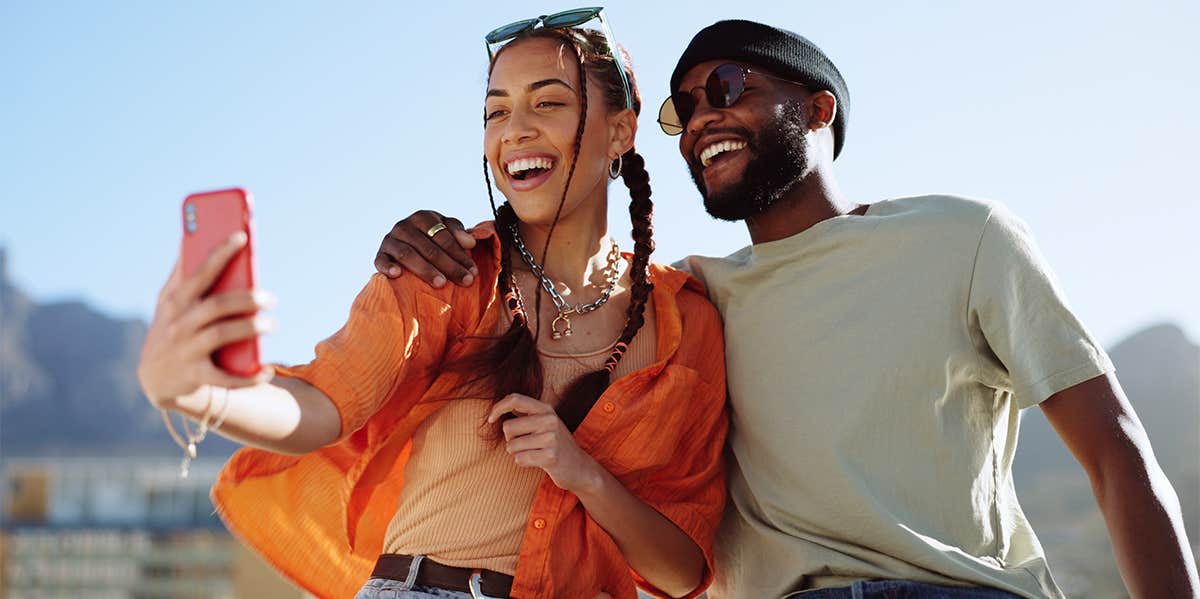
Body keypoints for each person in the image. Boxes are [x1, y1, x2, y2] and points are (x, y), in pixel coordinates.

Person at [370, 19, 1199, 599]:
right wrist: (432, 233)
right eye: (683, 107)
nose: (701, 119)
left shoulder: (965, 235)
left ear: (817, 108)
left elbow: (1117, 451)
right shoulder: (689, 300)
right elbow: (561, 277)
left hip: (963, 591)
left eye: (728, 87)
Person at [137, 14, 729, 599]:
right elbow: (322, 406)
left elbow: (681, 571)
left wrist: (583, 474)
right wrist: (201, 390)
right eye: (496, 110)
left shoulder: (688, 324)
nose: (513, 130)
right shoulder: (445, 273)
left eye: (547, 104)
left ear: (622, 132)